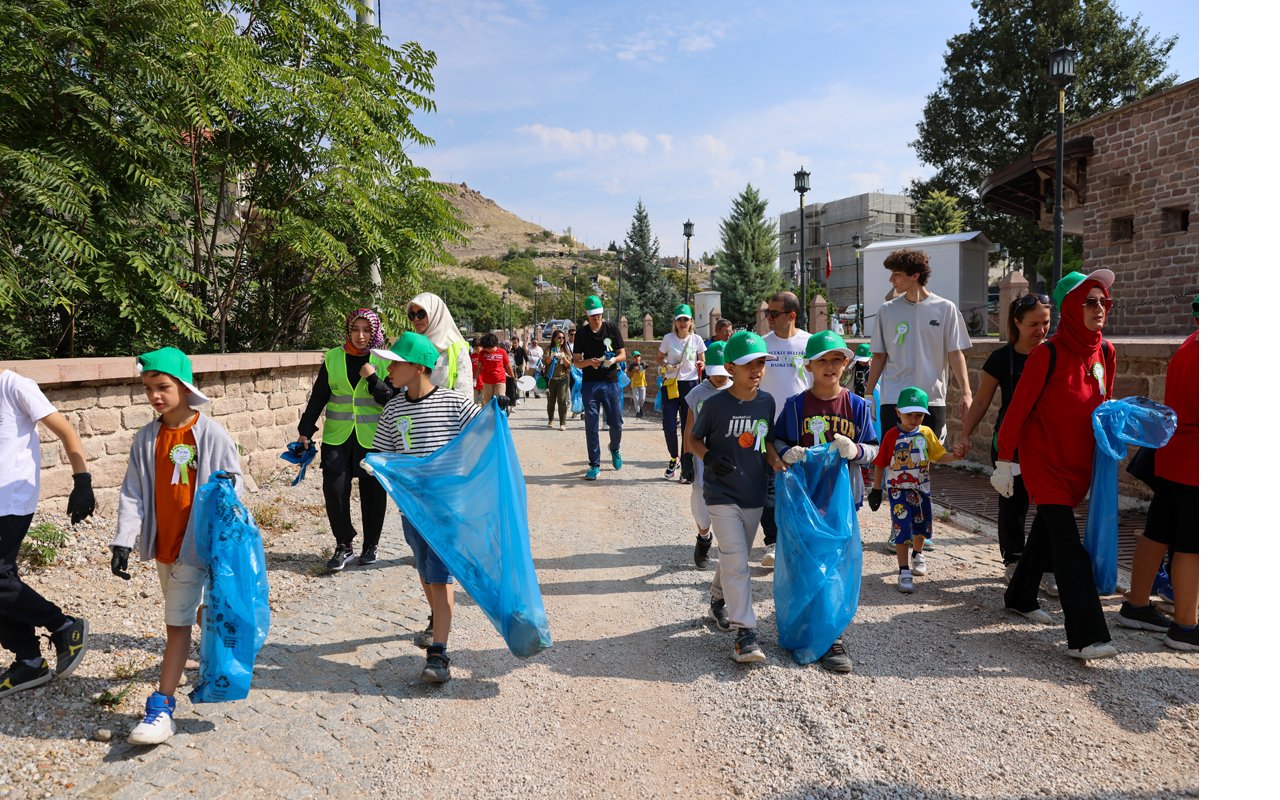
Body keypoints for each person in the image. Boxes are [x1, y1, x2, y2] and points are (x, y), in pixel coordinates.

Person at [112, 347, 243, 744]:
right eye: (148, 387)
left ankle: (162, 706)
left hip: (197, 548)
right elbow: (132, 492)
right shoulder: (146, 438)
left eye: (163, 386)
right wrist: (123, 539)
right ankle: (225, 638)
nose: (154, 395)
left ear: (184, 387)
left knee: (176, 626)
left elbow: (233, 485)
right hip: (164, 547)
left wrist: (225, 529)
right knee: (186, 611)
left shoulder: (211, 433)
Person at [992, 269, 1119, 661]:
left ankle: (1020, 595)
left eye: (1104, 302)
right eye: (1090, 301)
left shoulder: (1106, 353)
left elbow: (1104, 407)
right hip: (1044, 462)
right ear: (1069, 307)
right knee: (1068, 545)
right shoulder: (1047, 354)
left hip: (1079, 463)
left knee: (1046, 534)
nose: (1100, 308)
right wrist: (1004, 461)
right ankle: (1086, 635)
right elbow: (1016, 412)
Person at [369, 332, 481, 683]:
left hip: (447, 510)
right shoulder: (393, 409)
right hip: (411, 510)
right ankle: (437, 623)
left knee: (440, 575)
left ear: (418, 367)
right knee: (423, 567)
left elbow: (485, 440)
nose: (387, 368)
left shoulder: (455, 404)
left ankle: (439, 653)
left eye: (395, 362)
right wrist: (376, 466)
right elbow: (384, 454)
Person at [770, 330, 879, 672]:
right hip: (805, 503)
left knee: (835, 570)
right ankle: (805, 628)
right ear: (809, 366)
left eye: (837, 359)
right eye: (823, 360)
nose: (830, 366)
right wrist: (788, 452)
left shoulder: (858, 407)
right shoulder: (796, 406)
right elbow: (777, 440)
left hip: (840, 503)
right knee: (805, 566)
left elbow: (874, 450)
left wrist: (857, 450)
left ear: (846, 364)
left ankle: (832, 638)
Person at [865, 248, 972, 553]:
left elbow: (955, 353)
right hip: (893, 399)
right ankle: (898, 527)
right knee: (897, 464)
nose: (891, 279)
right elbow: (879, 355)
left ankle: (920, 528)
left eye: (897, 273)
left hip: (931, 399)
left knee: (924, 463)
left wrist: (965, 391)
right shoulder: (887, 311)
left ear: (914, 275)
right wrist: (868, 395)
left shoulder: (946, 308)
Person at [0, 370, 96, 699]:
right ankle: (28, 660)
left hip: (10, 501)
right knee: (3, 579)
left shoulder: (14, 385)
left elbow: (65, 430)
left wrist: (82, 481)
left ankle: (64, 626)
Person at [688, 332, 778, 663]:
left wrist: (779, 462)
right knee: (738, 562)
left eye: (760, 364)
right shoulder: (713, 406)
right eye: (747, 365)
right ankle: (745, 634)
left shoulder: (767, 402)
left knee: (733, 557)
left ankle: (716, 598)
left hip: (753, 493)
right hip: (720, 494)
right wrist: (709, 457)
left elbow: (767, 442)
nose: (756, 370)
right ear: (730, 368)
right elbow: (694, 441)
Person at [1116, 298, 1198, 651]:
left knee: (1158, 532)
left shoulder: (1191, 344)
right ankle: (1185, 626)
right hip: (1197, 460)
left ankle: (1136, 604)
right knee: (1191, 546)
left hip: (1174, 453)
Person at [956, 294, 1052, 583]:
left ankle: (1046, 566)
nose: (1041, 330)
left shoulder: (1054, 354)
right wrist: (965, 434)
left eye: (1046, 322)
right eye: (1034, 323)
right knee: (1013, 504)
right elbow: (983, 400)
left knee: (1051, 506)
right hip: (1010, 443)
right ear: (1017, 323)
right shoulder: (1002, 358)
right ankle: (1013, 560)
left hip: (1047, 443)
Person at [296, 309, 393, 571]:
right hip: (337, 437)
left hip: (373, 438)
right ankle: (344, 544)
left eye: (366, 331)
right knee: (334, 490)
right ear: (348, 330)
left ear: (374, 333)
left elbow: (390, 397)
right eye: (355, 330)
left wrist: (372, 377)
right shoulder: (333, 357)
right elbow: (319, 396)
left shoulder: (383, 359)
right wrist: (306, 429)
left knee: (373, 492)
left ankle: (371, 545)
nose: (360, 336)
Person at [868, 387, 960, 594]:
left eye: (919, 415)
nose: (914, 418)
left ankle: (917, 553)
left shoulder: (926, 434)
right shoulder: (891, 435)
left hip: (921, 491)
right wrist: (876, 489)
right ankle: (903, 570)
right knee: (901, 528)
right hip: (897, 491)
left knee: (922, 528)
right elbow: (881, 462)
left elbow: (939, 455)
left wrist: (954, 457)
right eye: (909, 414)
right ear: (898, 412)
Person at [756, 291, 812, 567]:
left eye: (773, 314)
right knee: (769, 486)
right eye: (767, 313)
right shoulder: (761, 344)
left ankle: (799, 538)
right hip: (765, 427)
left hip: (800, 427)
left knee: (802, 486)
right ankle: (772, 542)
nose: (768, 318)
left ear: (792, 315)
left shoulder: (810, 343)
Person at [680, 341, 733, 570]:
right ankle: (704, 536)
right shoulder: (698, 393)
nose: (720, 378)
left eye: (723, 373)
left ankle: (730, 549)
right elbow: (689, 427)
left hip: (731, 456)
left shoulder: (738, 390)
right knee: (701, 499)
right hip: (703, 457)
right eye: (715, 374)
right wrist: (686, 459)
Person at [572, 296, 627, 480]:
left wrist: (613, 360)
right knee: (591, 425)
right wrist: (590, 362)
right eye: (593, 316)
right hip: (590, 384)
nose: (597, 319)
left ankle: (615, 448)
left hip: (611, 382)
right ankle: (594, 464)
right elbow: (576, 362)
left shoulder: (612, 329)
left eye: (599, 315)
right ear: (588, 317)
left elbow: (623, 354)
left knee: (616, 423)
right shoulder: (581, 334)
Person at [658, 304, 707, 480]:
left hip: (690, 385)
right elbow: (659, 358)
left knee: (688, 427)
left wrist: (701, 364)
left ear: (691, 321)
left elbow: (702, 360)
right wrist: (666, 365)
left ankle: (687, 467)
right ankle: (674, 457)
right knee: (669, 425)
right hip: (671, 384)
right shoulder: (668, 338)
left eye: (685, 319)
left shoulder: (697, 340)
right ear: (675, 322)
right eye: (679, 319)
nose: (682, 323)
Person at [406, 292, 474, 396]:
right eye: (412, 315)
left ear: (435, 313)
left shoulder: (457, 349)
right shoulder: (413, 347)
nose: (416, 319)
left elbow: (465, 395)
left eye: (421, 314)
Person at [542, 329, 572, 430]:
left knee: (562, 401)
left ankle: (562, 423)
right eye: (559, 337)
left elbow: (569, 365)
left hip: (562, 378)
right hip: (550, 379)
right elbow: (545, 361)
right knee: (551, 401)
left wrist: (563, 358)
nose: (561, 339)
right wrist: (553, 355)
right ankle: (550, 420)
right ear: (554, 338)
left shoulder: (566, 350)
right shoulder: (549, 349)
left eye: (563, 337)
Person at [477, 333, 514, 407]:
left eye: (489, 348)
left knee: (500, 402)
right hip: (487, 382)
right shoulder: (482, 353)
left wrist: (512, 376)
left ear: (495, 345)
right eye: (486, 348)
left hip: (500, 381)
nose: (488, 350)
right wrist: (474, 379)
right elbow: (479, 367)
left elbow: (508, 366)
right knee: (487, 403)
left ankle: (499, 418)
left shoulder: (502, 352)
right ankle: (489, 418)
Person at [627, 351, 648, 418]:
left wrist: (641, 366)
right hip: (634, 385)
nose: (637, 358)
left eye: (638, 356)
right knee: (636, 399)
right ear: (633, 358)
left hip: (642, 384)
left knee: (642, 399)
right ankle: (638, 412)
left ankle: (640, 408)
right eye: (635, 357)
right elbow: (629, 375)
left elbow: (646, 367)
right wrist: (633, 370)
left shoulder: (643, 365)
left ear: (640, 357)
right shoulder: (631, 366)